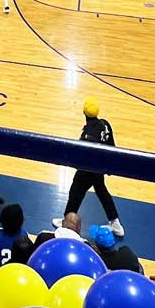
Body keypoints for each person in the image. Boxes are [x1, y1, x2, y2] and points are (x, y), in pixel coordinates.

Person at [52, 98, 124, 237]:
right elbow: (112, 146)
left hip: (88, 169)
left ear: (84, 113)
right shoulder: (105, 124)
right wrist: (109, 166)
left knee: (75, 192)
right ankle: (115, 222)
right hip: (100, 167)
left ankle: (67, 221)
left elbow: (81, 155)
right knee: (101, 191)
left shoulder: (87, 135)